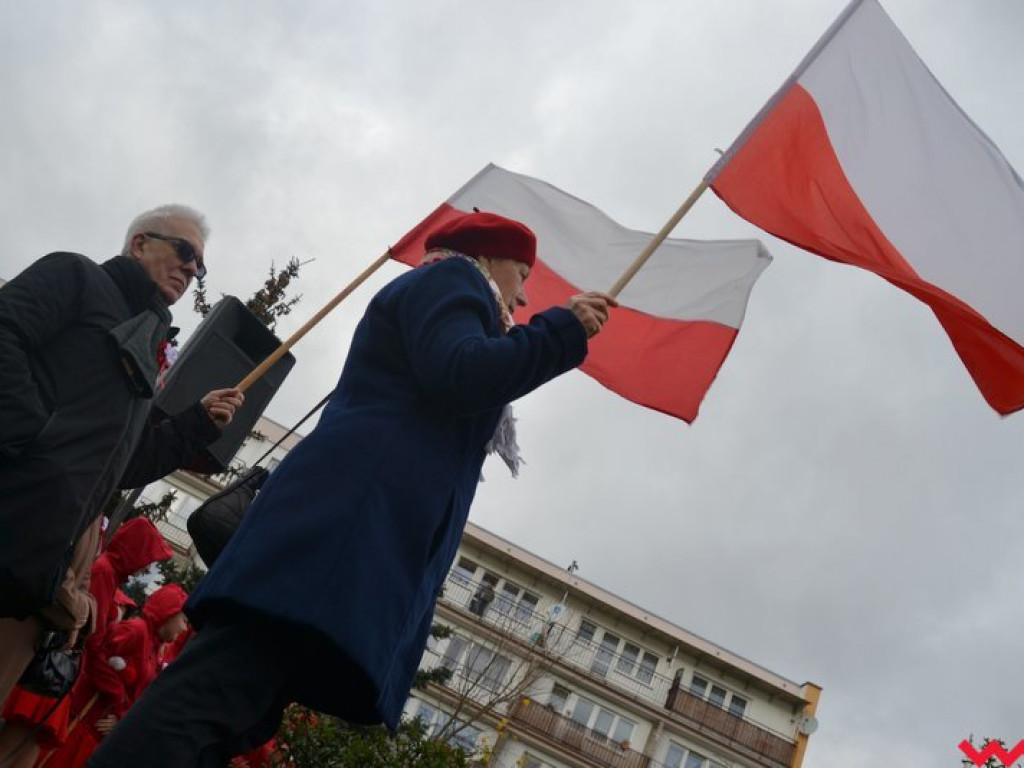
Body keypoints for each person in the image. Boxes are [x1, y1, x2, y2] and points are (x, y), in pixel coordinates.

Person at [89, 210, 616, 767]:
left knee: (234, 708)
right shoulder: (452, 281)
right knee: (214, 695)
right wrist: (561, 332)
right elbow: (460, 372)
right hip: (334, 538)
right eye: (522, 276)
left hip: (338, 539)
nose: (526, 297)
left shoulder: (445, 293)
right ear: (486, 259)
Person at [0, 204, 244, 705]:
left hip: (27, 575)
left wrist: (195, 423)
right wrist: (36, 444)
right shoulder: (76, 275)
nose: (192, 268)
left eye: (200, 264)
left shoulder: (147, 350)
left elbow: (122, 466)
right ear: (139, 244)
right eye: (184, 251)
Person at [0, 518, 173, 767]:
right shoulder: (105, 571)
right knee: (18, 746)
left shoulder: (111, 574)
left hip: (68, 671)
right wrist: (115, 688)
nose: (145, 569)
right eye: (147, 559)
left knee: (27, 746)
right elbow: (94, 638)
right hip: (64, 668)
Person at [47, 584, 189, 768]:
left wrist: (123, 717)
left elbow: (137, 694)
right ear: (169, 612)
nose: (185, 628)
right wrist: (115, 692)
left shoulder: (155, 647)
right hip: (82, 725)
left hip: (98, 736)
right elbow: (96, 654)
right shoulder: (137, 630)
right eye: (184, 620)